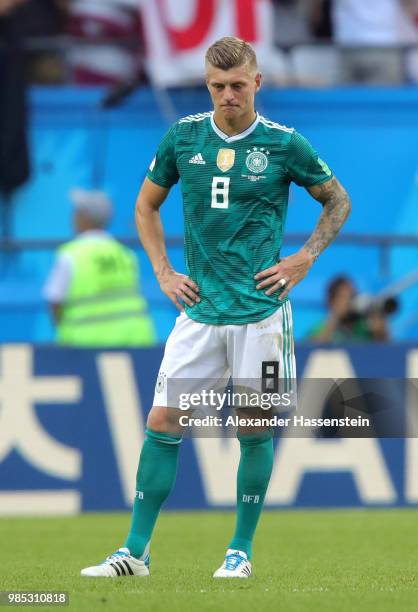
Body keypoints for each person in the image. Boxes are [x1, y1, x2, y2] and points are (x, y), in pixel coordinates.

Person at [81, 36, 351, 579]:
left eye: (236, 85)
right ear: (208, 86)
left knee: (252, 428)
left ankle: (240, 551)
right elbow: (145, 205)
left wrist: (304, 258)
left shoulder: (283, 143)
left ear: (257, 83)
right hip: (200, 311)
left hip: (262, 313)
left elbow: (337, 199)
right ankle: (134, 552)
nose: (227, 94)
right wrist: (162, 270)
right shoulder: (183, 137)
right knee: (162, 419)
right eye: (216, 86)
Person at [43, 188, 156, 347]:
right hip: (133, 339)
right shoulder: (125, 254)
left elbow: (54, 301)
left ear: (85, 218)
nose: (74, 216)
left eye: (78, 212)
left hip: (85, 343)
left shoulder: (70, 255)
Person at [309, 275, 390, 342]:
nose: (349, 302)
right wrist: (335, 318)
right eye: (344, 297)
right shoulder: (320, 328)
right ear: (332, 302)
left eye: (352, 295)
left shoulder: (363, 328)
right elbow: (313, 350)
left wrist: (380, 332)